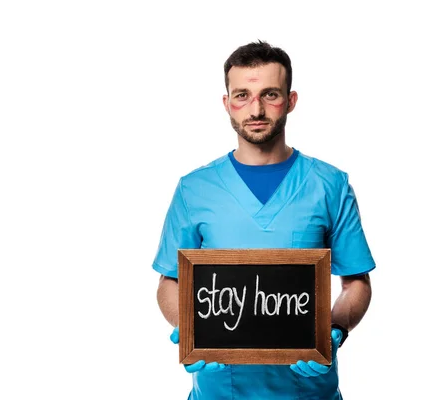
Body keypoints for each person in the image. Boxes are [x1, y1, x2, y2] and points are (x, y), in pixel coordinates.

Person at [152, 40, 374, 399]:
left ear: (290, 100)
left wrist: (335, 328)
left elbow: (356, 282)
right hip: (218, 391)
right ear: (227, 104)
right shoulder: (194, 189)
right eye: (242, 95)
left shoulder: (329, 184)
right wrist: (187, 328)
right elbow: (169, 281)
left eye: (270, 94)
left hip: (309, 390)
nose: (255, 108)